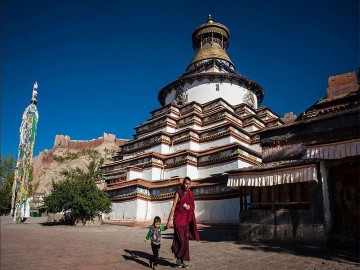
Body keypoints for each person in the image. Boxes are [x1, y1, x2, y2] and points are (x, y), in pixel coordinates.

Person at [166, 176, 200, 268]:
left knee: (185, 240)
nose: (187, 185)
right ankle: (179, 257)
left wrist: (189, 207)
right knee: (180, 239)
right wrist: (168, 221)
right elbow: (173, 206)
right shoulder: (178, 193)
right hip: (178, 219)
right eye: (186, 183)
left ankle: (181, 260)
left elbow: (192, 206)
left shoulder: (190, 193)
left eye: (189, 184)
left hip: (186, 220)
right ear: (183, 183)